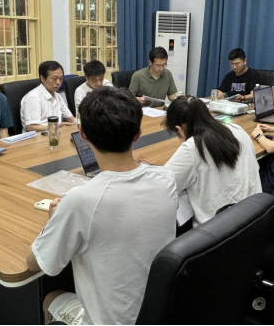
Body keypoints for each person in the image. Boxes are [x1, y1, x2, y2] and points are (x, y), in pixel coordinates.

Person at [26, 87, 178, 325]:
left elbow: (35, 263)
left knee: (51, 298)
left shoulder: (80, 200)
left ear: (82, 134)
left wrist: (56, 218)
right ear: (138, 134)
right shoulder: (167, 178)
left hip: (109, 321)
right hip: (161, 310)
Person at [164, 96, 262, 226]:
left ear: (179, 128)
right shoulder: (237, 130)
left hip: (217, 231)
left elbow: (162, 187)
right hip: (255, 219)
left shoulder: (192, 147)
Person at [20, 61, 76, 133]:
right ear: (42, 78)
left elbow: (70, 119)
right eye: (55, 79)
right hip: (37, 137)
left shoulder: (58, 96)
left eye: (61, 78)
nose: (58, 82)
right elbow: (31, 127)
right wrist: (55, 127)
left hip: (55, 134)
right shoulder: (33, 98)